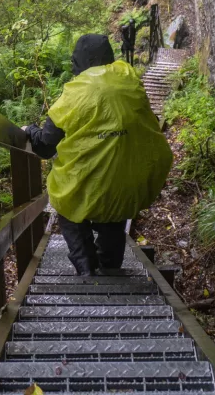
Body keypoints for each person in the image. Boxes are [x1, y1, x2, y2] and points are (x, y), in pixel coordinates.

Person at [23, 34, 173, 275]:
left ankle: (86, 270)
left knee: (68, 204)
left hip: (86, 184)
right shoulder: (131, 83)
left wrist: (30, 130)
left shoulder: (74, 94)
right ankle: (110, 269)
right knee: (113, 214)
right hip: (128, 182)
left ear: (83, 61)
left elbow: (45, 147)